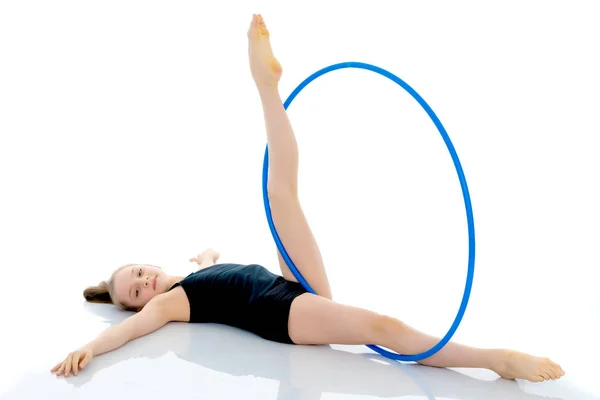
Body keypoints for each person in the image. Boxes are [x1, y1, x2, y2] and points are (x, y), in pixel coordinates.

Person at [51, 14, 565, 383]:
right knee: (379, 328)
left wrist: (205, 256)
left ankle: (267, 87)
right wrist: (89, 348)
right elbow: (128, 333)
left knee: (280, 194)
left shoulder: (190, 280)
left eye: (139, 272)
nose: (144, 283)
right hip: (284, 318)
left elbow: (213, 264)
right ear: (138, 304)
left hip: (289, 287)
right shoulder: (167, 305)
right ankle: (495, 359)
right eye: (135, 292)